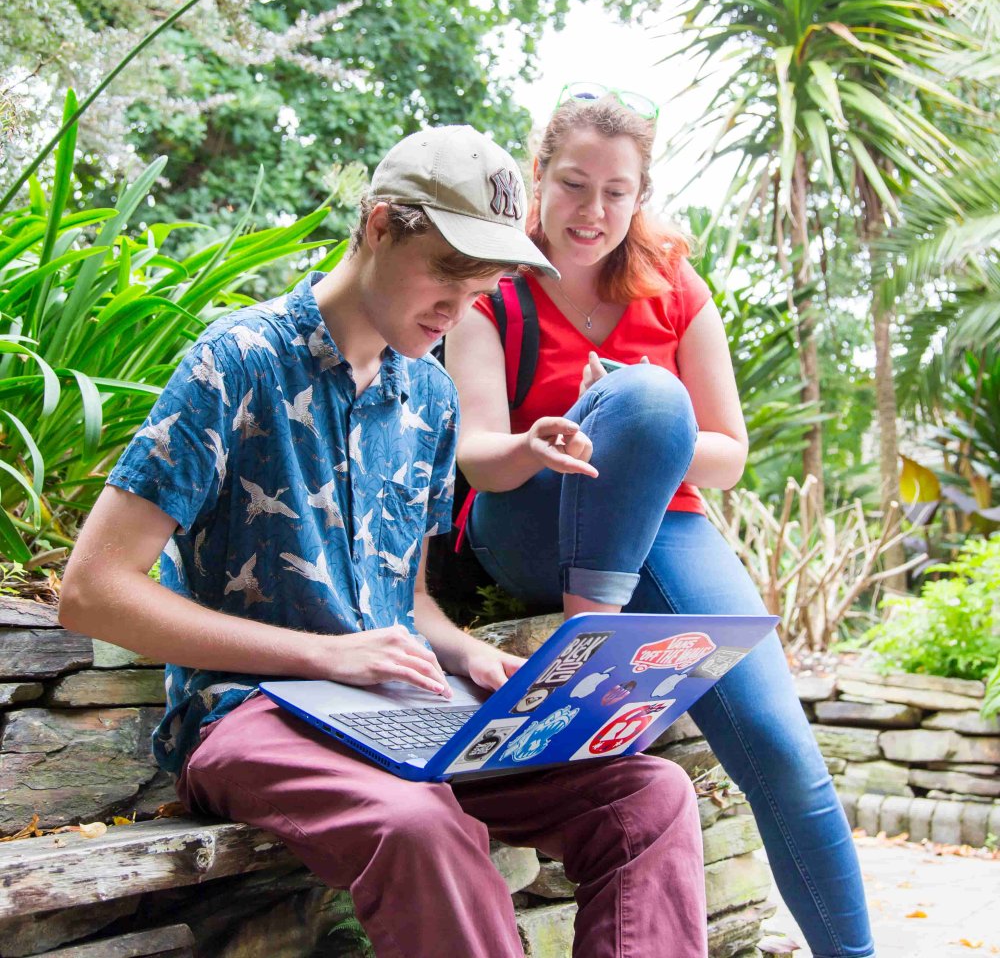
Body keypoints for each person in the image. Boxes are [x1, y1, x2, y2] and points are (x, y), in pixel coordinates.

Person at [59, 124, 709, 958]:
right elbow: (93, 589)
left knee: (648, 796)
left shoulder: (430, 396)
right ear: (377, 225)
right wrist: (326, 657)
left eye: (482, 287)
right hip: (250, 715)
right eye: (446, 271)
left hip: (399, 713)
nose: (459, 307)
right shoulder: (238, 361)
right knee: (418, 825)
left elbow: (402, 600)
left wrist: (465, 655)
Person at [445, 87, 876, 958]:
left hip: (663, 525)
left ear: (641, 194)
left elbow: (729, 454)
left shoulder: (674, 283)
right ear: (538, 176)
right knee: (643, 394)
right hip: (530, 516)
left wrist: (643, 430)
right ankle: (588, 634)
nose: (592, 210)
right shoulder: (495, 283)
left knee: (784, 753)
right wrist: (547, 437)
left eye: (616, 191)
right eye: (572, 184)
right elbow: (477, 455)